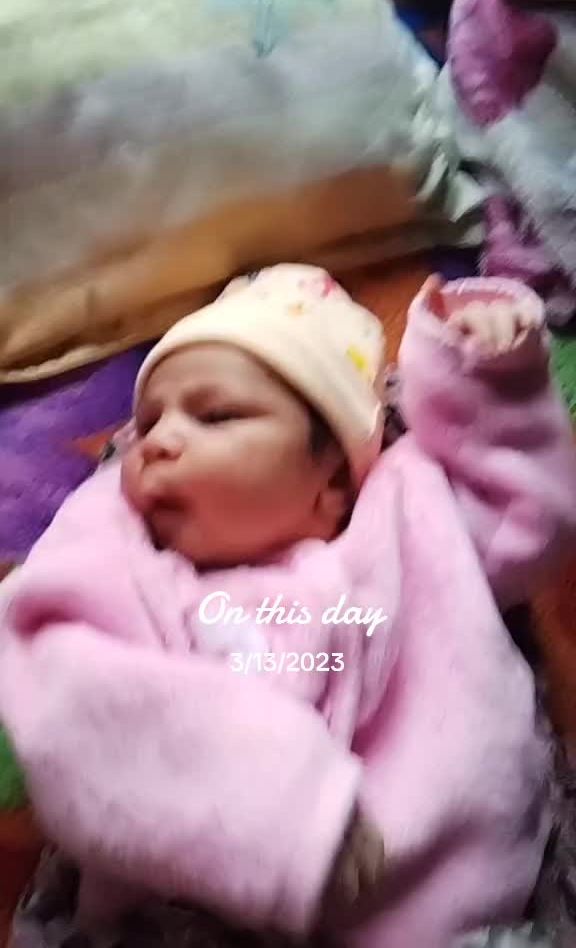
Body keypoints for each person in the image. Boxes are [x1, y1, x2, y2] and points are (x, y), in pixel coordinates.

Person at [1, 264, 575, 948]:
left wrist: (489, 380)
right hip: (183, 917)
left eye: (215, 414)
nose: (156, 440)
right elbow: (71, 689)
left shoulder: (412, 512)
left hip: (444, 911)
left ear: (332, 478)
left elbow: (529, 523)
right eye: (147, 421)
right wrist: (282, 800)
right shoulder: (116, 554)